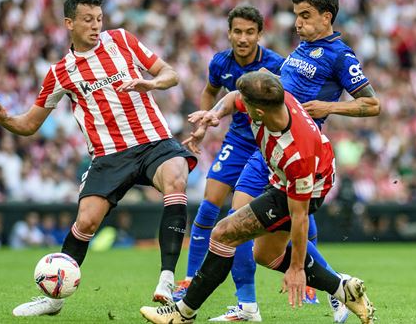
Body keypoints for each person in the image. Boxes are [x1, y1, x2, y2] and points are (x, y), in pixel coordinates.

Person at [0, 0, 196, 316]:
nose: (96, 26)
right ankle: (54, 301)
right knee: (86, 221)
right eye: (87, 20)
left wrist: (152, 84)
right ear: (69, 23)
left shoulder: (122, 40)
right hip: (109, 155)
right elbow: (29, 124)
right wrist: (6, 120)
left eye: (99, 19)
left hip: (153, 140)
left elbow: (171, 73)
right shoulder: (60, 73)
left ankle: (167, 280)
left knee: (176, 179)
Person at [181, 0, 382, 322]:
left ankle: (254, 303)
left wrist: (330, 106)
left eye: (305, 16)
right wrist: (214, 114)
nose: (298, 23)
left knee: (241, 227)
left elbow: (372, 104)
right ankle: (325, 290)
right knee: (255, 242)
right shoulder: (303, 48)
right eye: (296, 15)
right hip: (267, 149)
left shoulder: (340, 55)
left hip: (296, 154)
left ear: (326, 17)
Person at [141, 72, 375, 324]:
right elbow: (232, 98)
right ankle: (343, 289)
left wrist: (296, 269)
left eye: (247, 102)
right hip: (285, 177)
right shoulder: (273, 103)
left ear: (259, 112)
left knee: (223, 234)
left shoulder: (297, 155)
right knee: (265, 254)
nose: (242, 103)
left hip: (301, 186)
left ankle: (183, 313)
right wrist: (215, 114)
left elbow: (300, 217)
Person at [174, 5, 285, 321]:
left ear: (259, 34)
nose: (243, 38)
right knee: (209, 205)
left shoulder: (275, 65)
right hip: (237, 141)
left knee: (249, 217)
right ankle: (190, 279)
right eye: (237, 31)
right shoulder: (220, 62)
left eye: (250, 32)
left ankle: (250, 299)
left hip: (266, 145)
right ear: (229, 32)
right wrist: (204, 124)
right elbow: (210, 92)